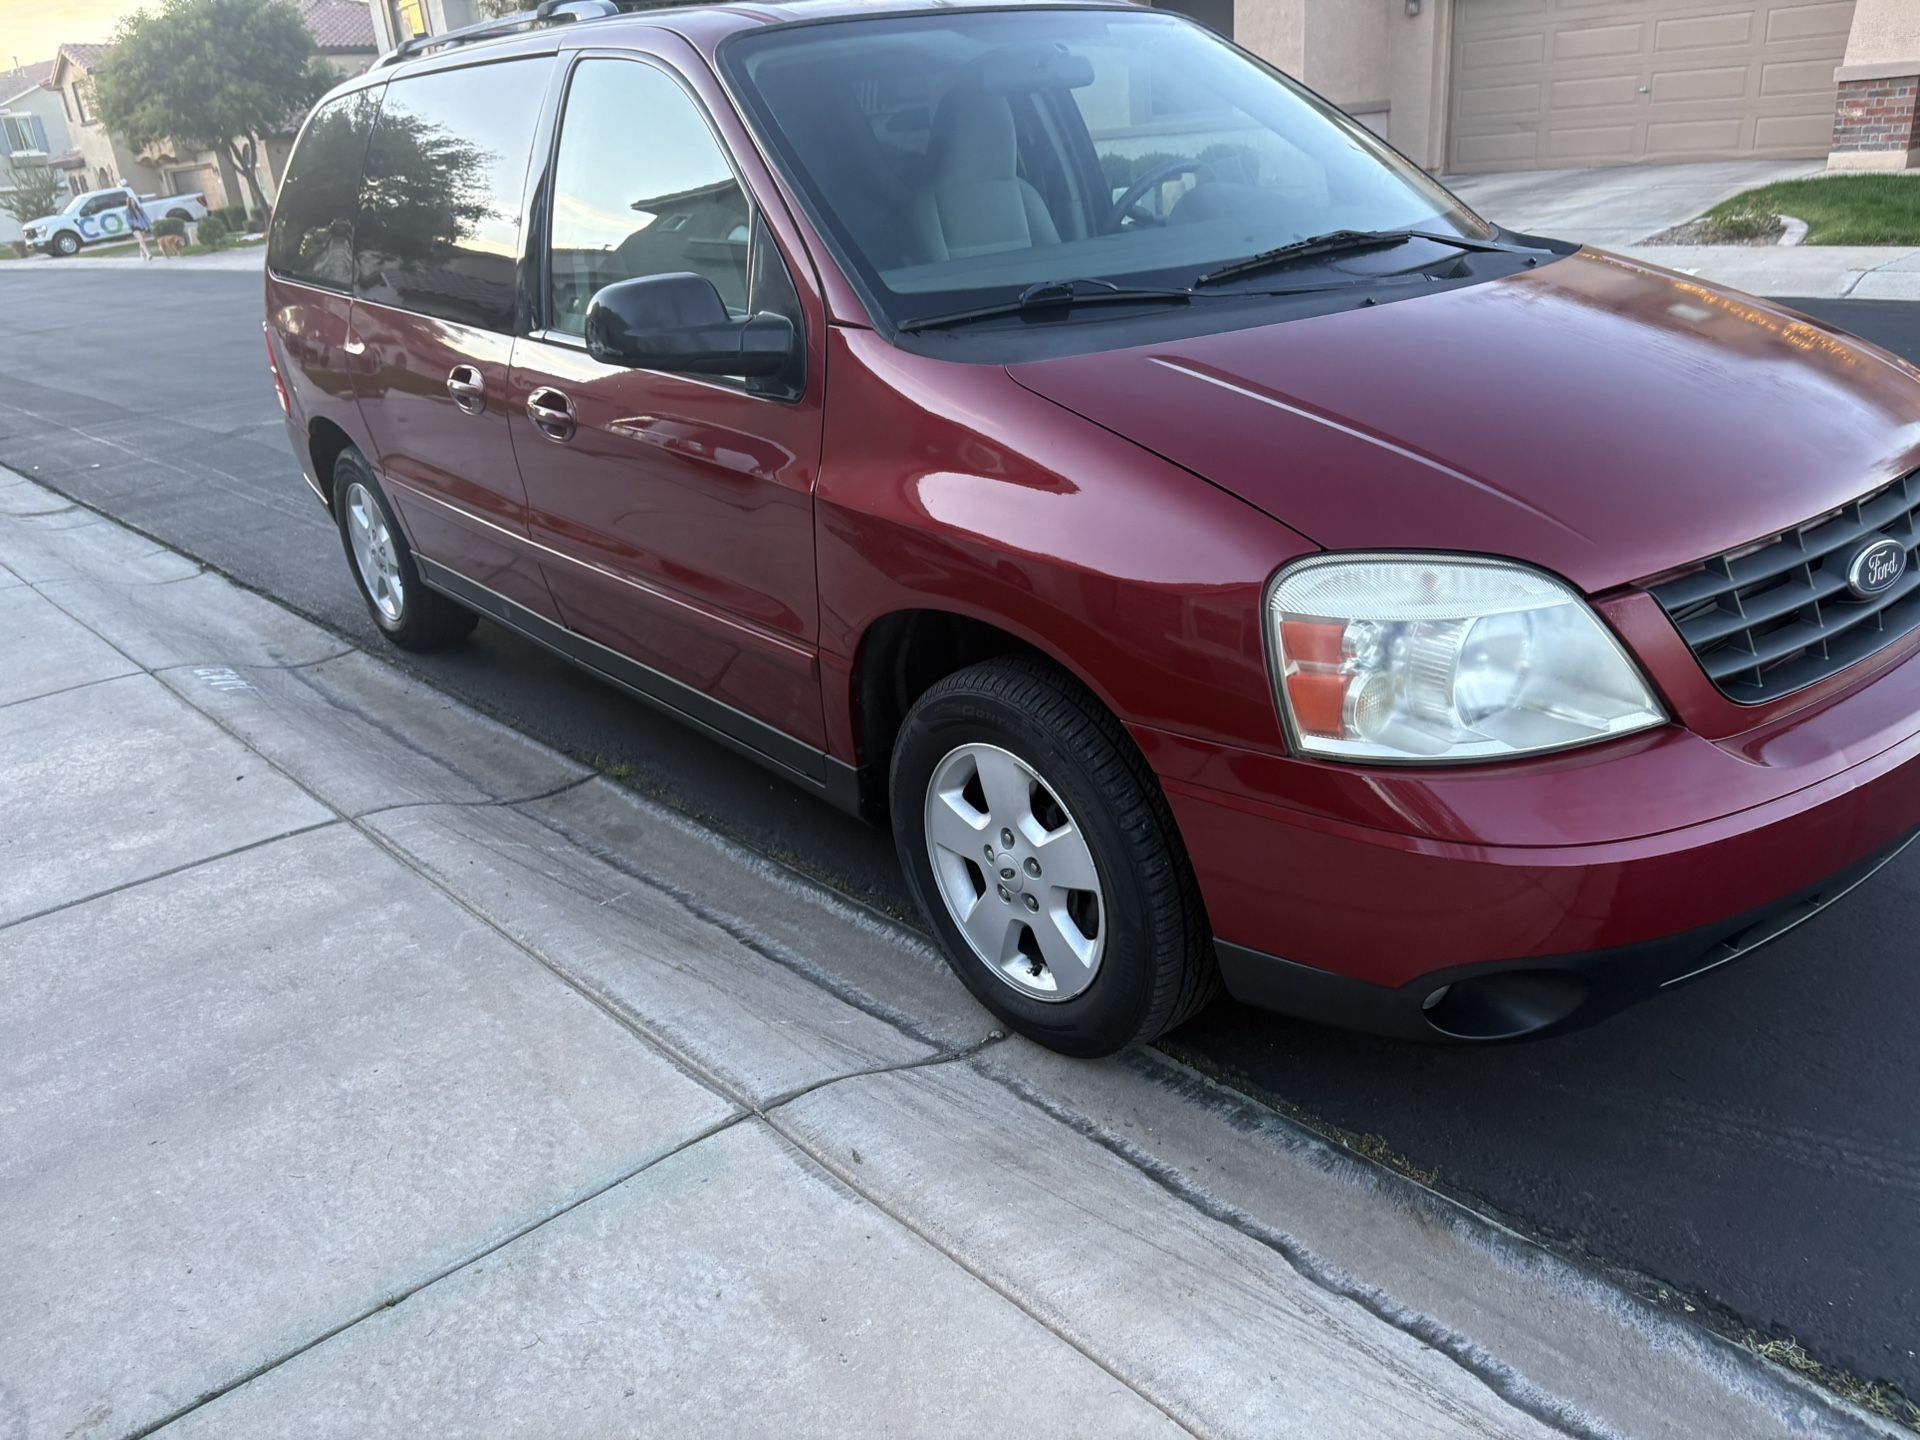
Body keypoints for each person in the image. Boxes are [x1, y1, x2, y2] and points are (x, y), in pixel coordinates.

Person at [123, 189, 152, 260]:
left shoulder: (139, 209)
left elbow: (145, 217)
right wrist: (133, 223)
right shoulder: (128, 211)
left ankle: (141, 253)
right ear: (129, 203)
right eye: (131, 202)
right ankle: (148, 254)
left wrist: (149, 224)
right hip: (135, 228)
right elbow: (128, 220)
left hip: (142, 226)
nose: (133, 203)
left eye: (134, 201)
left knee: (141, 241)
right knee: (141, 240)